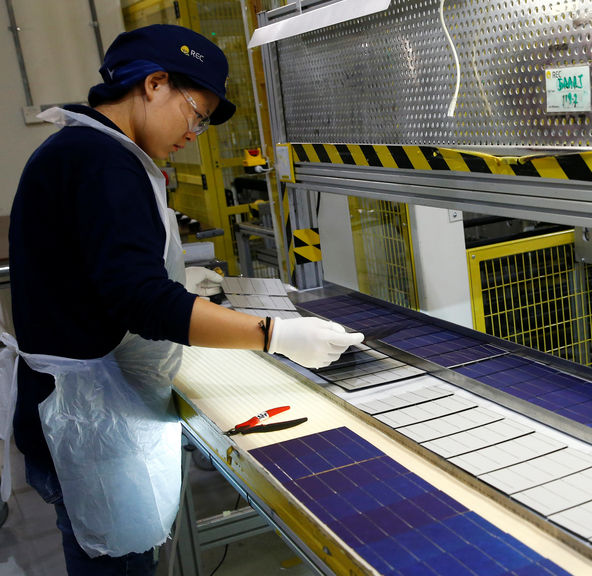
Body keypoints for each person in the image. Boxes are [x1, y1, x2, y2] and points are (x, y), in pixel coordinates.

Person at [7, 24, 362, 575]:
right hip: (85, 418)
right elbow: (142, 301)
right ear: (154, 84)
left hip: (65, 406)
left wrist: (179, 288)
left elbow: (104, 275)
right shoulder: (104, 161)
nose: (195, 133)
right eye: (196, 114)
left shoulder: (80, 148)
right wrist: (275, 334)